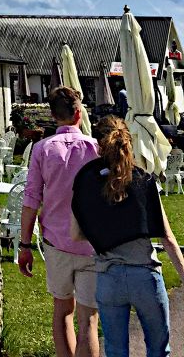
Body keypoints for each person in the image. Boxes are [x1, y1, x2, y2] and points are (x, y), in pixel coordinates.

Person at [71, 115, 184, 357]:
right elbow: (167, 237)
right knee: (158, 349)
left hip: (108, 277)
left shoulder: (86, 182)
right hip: (144, 276)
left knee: (115, 351)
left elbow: (76, 234)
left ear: (99, 146)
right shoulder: (143, 181)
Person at [20, 86, 101, 357]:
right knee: (89, 319)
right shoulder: (96, 148)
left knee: (62, 311)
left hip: (56, 243)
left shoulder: (42, 150)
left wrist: (24, 244)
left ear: (54, 116)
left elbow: (31, 199)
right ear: (79, 114)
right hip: (91, 242)